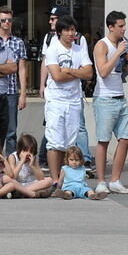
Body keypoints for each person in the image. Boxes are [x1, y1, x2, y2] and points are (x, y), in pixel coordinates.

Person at [43, 15, 94, 186]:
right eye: (67, 30)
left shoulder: (79, 50)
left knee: (69, 141)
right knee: (55, 141)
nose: (71, 33)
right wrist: (75, 72)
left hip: (73, 100)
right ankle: (55, 179)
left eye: (73, 30)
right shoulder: (53, 50)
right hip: (56, 100)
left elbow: (88, 73)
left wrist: (69, 71)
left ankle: (66, 179)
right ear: (59, 32)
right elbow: (56, 76)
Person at [92, 10, 128, 195]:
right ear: (111, 27)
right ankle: (101, 181)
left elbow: (121, 72)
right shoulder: (102, 45)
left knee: (126, 138)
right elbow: (103, 71)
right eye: (120, 26)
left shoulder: (124, 44)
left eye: (124, 25)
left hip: (120, 96)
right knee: (103, 141)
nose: (124, 29)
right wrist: (117, 53)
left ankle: (116, 180)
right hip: (104, 98)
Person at [0, 6, 28, 155]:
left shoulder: (18, 42)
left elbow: (21, 68)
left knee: (11, 131)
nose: (7, 23)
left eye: (9, 20)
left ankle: (11, 164)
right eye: (3, 20)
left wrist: (23, 94)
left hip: (11, 91)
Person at [0, 133, 40, 199]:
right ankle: (29, 193)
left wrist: (4, 160)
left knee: (10, 184)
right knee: (8, 181)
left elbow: (10, 175)